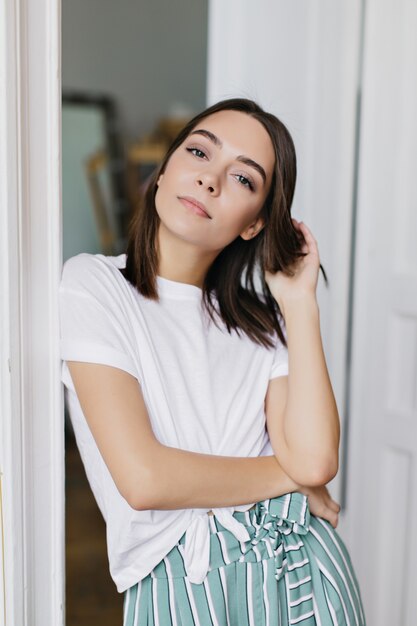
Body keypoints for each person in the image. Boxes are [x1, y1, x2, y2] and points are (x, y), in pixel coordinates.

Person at [59, 97, 366, 625]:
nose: (210, 180)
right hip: (178, 580)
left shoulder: (260, 324)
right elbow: (145, 479)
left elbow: (316, 461)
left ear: (254, 225)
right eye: (199, 152)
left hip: (299, 565)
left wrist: (298, 303)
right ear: (162, 174)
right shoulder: (95, 286)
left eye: (244, 180)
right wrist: (291, 478)